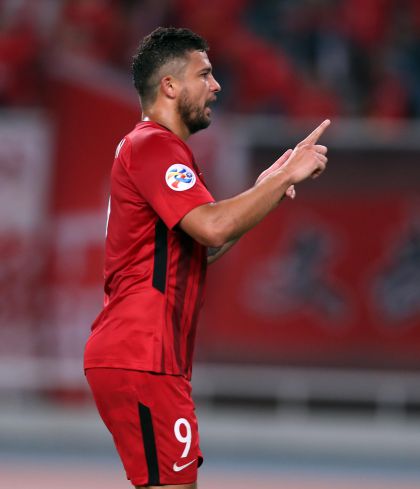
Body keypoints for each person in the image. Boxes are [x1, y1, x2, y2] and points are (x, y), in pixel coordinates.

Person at [84, 26, 330, 489]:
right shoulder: (154, 145)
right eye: (204, 74)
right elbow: (213, 226)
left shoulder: (155, 149)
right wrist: (284, 178)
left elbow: (205, 246)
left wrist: (266, 189)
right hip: (143, 354)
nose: (216, 86)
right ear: (169, 86)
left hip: (149, 355)